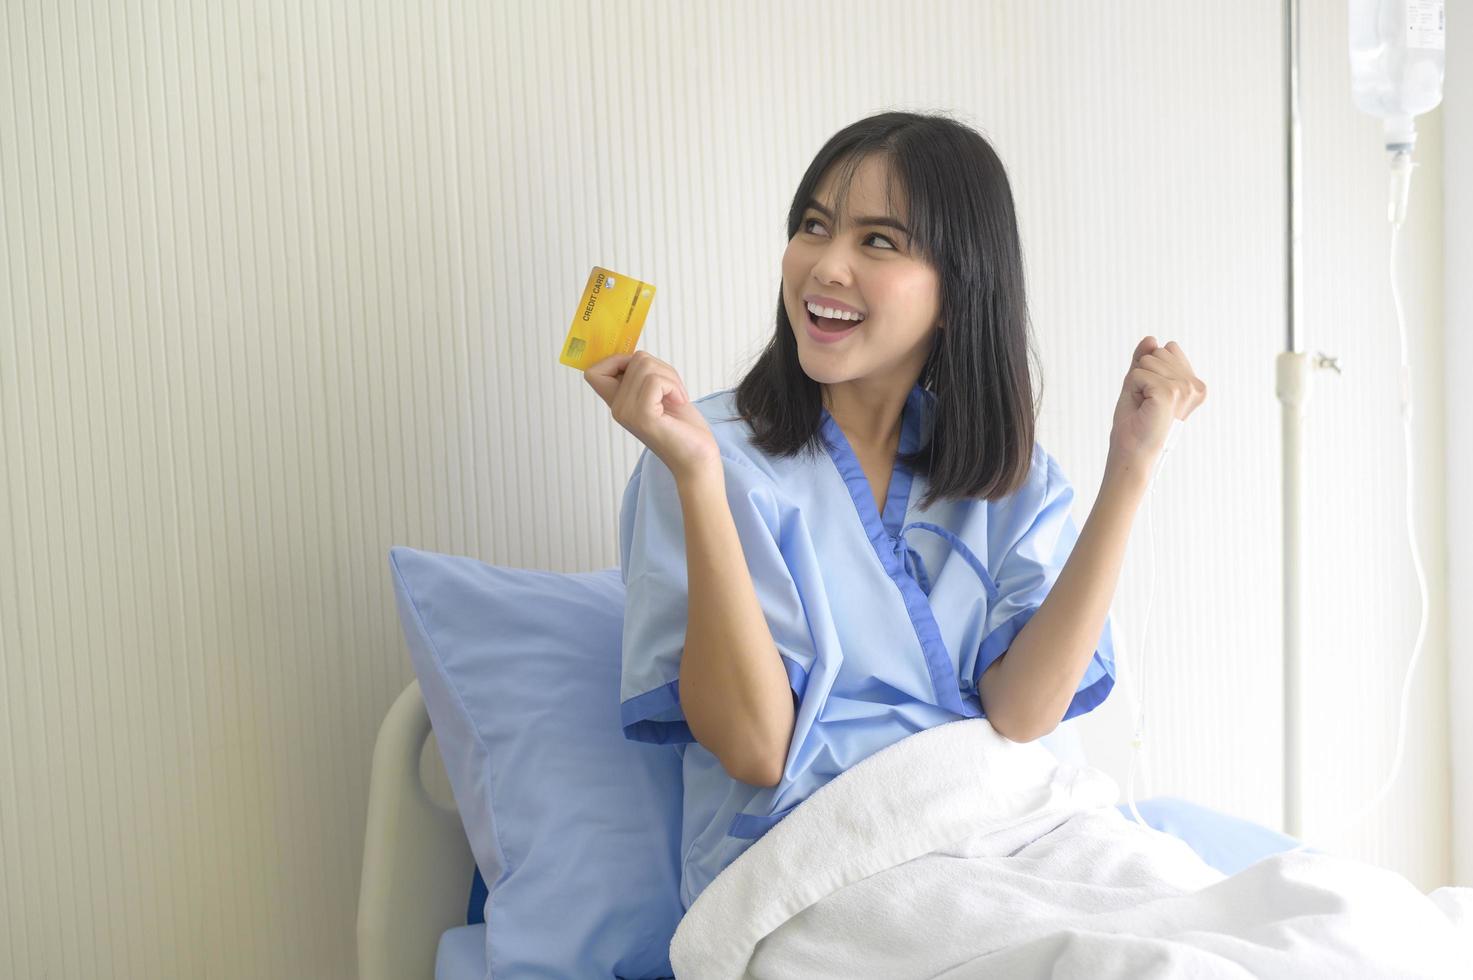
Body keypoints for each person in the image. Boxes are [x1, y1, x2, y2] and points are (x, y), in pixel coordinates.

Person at [584, 110, 1207, 911]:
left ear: (955, 293)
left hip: (1004, 844)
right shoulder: (699, 456)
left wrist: (1131, 465)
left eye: (877, 241)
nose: (825, 266)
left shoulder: (1010, 480)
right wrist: (699, 478)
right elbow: (753, 748)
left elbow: (1023, 713)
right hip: (809, 882)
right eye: (814, 226)